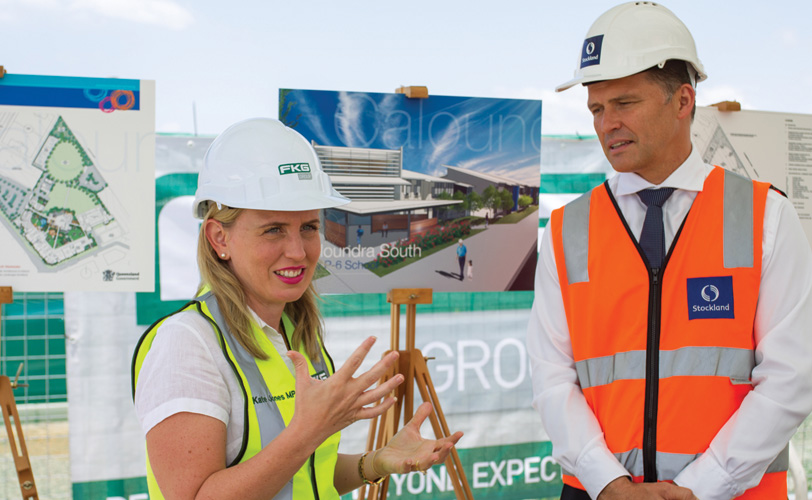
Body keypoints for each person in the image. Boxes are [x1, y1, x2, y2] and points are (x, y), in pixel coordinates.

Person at [527, 3, 812, 500]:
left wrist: (700, 488)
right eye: (596, 108)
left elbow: (792, 377)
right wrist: (609, 483)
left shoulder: (766, 215)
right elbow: (551, 378)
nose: (606, 124)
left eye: (624, 103)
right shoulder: (566, 229)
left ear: (683, 101)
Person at [132, 118, 462, 500]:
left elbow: (303, 474)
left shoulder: (294, 330)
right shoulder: (187, 343)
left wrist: (376, 462)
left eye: (308, 227)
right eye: (273, 229)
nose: (299, 251)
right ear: (218, 237)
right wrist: (309, 431)